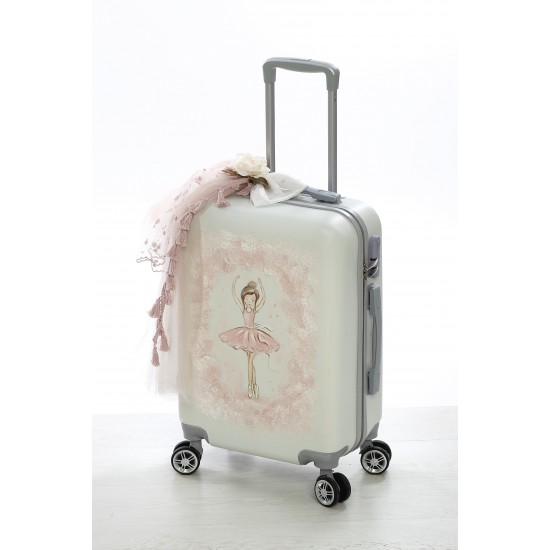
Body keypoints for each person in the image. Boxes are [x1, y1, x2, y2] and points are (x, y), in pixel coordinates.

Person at [219, 276, 280, 398]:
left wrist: (261, 286)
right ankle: (254, 385)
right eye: (247, 299)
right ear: (244, 299)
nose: (249, 302)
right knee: (250, 362)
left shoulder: (254, 309)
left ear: (255, 300)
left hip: (253, 336)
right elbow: (235, 296)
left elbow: (263, 300)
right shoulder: (243, 309)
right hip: (245, 334)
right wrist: (234, 282)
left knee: (250, 361)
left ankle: (251, 386)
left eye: (252, 300)